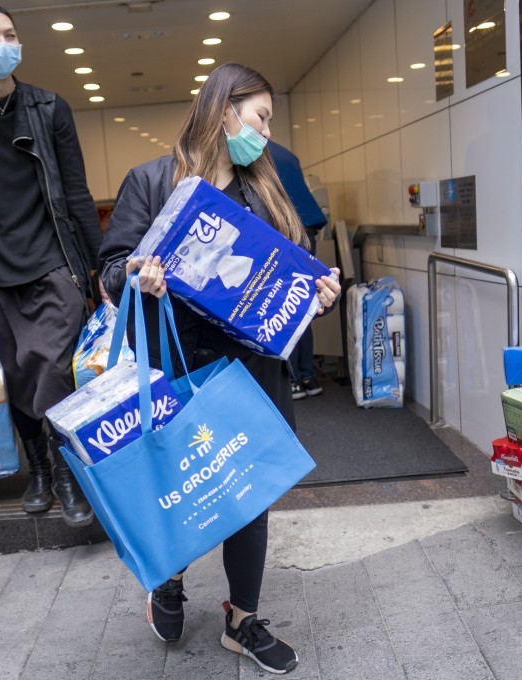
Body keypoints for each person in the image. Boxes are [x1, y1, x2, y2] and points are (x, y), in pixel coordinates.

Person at [99, 62, 341, 675]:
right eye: (259, 117)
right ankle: (169, 580)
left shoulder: (265, 189)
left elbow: (300, 265)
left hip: (255, 369)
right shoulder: (152, 182)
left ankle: (242, 620)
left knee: (248, 493)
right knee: (185, 486)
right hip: (178, 367)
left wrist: (321, 290)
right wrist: (135, 272)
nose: (263, 132)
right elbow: (109, 271)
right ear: (223, 110)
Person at [0, 2, 103, 526]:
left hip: (52, 263)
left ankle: (67, 473)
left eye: (9, 33)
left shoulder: (50, 108)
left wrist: (101, 267)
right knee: (11, 377)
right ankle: (37, 469)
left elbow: (75, 193)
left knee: (53, 368)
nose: (2, 43)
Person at [267, 140, 329, 400]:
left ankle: (291, 379)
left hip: (287, 231)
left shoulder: (254, 153)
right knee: (303, 301)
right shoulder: (286, 153)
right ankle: (307, 375)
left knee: (283, 304)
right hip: (307, 230)